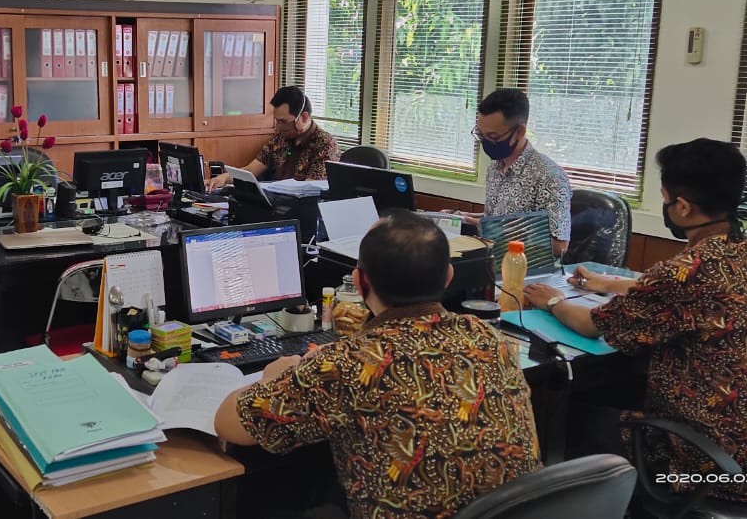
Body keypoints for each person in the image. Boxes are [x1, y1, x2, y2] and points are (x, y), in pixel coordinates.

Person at [522, 138, 747, 503]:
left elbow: (592, 324)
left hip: (714, 470)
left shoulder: (686, 273)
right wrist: (607, 283)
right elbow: (692, 294)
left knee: (556, 415)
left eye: (666, 199)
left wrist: (552, 300)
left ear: (682, 207)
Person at [214, 212, 541, 519]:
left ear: (359, 282)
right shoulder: (488, 337)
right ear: (448, 276)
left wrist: (272, 378)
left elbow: (228, 424)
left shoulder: (347, 363)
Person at [452, 89, 571, 257]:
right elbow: (499, 217)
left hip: (528, 267)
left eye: (493, 136)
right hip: (491, 259)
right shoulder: (495, 166)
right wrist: (465, 217)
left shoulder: (549, 177)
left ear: (520, 132)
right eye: (481, 135)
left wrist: (491, 228)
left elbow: (559, 246)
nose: (486, 143)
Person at [206, 86, 340, 190]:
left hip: (304, 207)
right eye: (277, 121)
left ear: (304, 117)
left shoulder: (325, 145)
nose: (278, 127)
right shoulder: (280, 139)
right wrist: (224, 178)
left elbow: (311, 189)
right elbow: (251, 170)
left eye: (283, 121)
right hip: (278, 200)